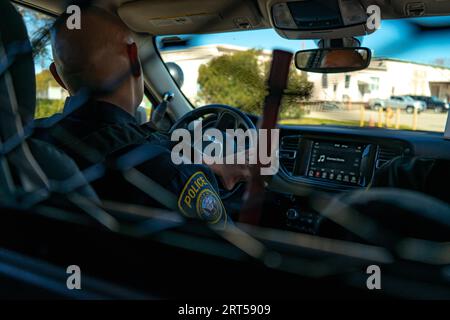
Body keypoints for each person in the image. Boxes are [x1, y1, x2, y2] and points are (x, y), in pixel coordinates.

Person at [35, 6, 250, 227]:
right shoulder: (169, 175)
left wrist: (211, 166)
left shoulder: (32, 140)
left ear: (57, 77)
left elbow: (136, 139)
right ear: (133, 58)